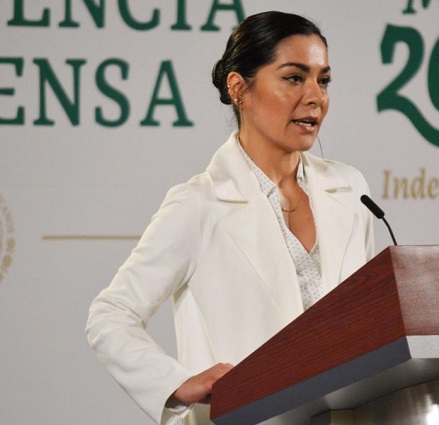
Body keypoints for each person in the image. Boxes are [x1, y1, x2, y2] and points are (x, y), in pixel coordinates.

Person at [85, 10, 375, 425]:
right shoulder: (199, 204)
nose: (316, 97)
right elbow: (110, 315)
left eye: (323, 80)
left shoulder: (350, 190)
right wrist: (176, 383)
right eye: (294, 78)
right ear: (239, 88)